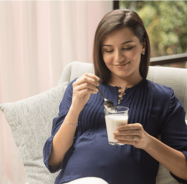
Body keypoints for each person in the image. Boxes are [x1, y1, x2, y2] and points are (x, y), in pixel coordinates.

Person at [43, 9, 187, 184]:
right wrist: (75, 109)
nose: (118, 57)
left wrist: (147, 142)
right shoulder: (80, 89)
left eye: (127, 48)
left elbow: (185, 171)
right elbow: (53, 161)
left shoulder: (164, 98)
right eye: (108, 50)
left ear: (143, 45)